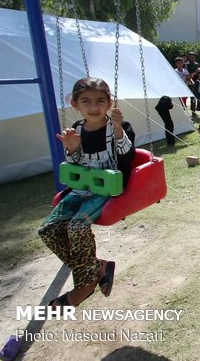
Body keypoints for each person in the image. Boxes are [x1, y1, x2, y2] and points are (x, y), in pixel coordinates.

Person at [39, 77, 135, 309]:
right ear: (75, 104)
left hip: (106, 188)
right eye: (86, 101)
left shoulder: (117, 127)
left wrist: (120, 128)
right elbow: (75, 163)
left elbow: (127, 156)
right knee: (48, 230)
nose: (94, 107)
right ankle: (96, 265)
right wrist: (72, 147)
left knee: (76, 227)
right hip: (82, 188)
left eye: (101, 101)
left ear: (109, 102)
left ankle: (85, 284)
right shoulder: (77, 130)